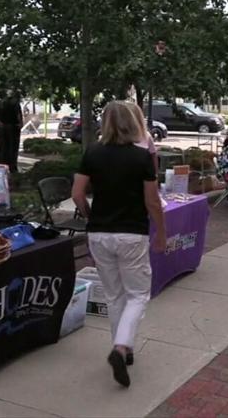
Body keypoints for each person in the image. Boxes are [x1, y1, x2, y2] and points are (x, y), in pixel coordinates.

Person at [72, 101, 166, 388]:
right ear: (133, 123)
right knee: (137, 295)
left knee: (114, 296)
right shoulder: (140, 158)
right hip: (131, 233)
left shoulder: (92, 153)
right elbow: (152, 201)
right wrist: (161, 231)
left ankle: (122, 349)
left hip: (99, 232)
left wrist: (90, 215)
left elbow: (77, 194)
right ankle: (122, 347)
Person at [125, 102, 159, 174]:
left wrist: (155, 175)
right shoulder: (115, 136)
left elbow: (153, 156)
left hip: (143, 178)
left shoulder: (146, 135)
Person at [0, 93, 23, 173]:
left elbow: (19, 117)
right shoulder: (4, 104)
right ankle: (5, 167)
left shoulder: (14, 104)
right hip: (5, 130)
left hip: (12, 129)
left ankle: (10, 167)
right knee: (4, 149)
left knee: (10, 149)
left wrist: (20, 124)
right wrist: (1, 124)